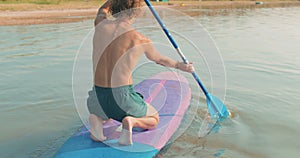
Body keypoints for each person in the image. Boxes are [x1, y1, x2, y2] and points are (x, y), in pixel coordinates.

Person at [87, 0, 194, 145]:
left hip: (97, 97)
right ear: (138, 12)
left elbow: (102, 9)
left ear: (114, 7)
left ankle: (97, 120)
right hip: (122, 99)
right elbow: (160, 59)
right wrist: (181, 66)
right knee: (154, 118)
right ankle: (131, 121)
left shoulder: (100, 24)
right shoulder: (140, 39)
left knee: (106, 113)